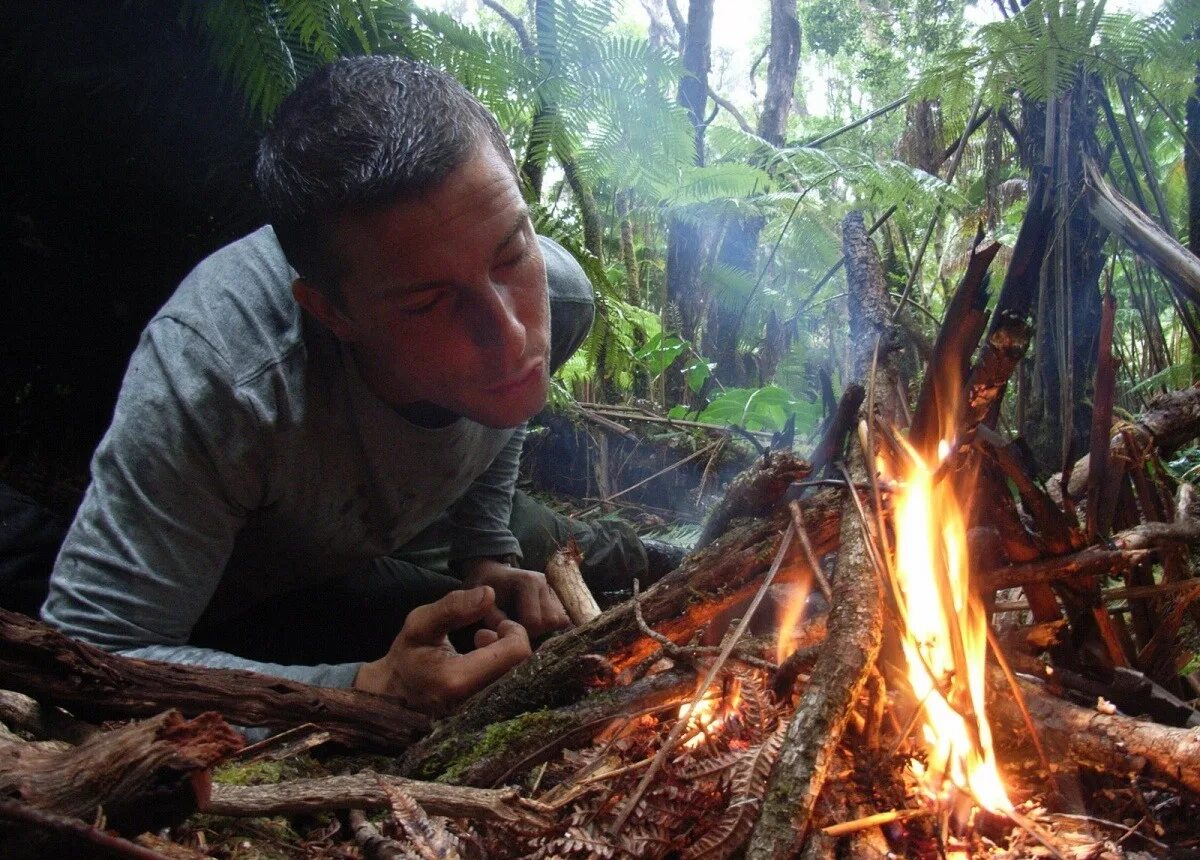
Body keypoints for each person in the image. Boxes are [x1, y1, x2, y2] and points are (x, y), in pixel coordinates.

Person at [40, 56, 679, 715]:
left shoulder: (562, 299)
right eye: (429, 303)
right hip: (239, 590)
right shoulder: (225, 385)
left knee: (562, 552)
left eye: (511, 253)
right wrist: (367, 690)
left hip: (387, 523)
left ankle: (688, 550)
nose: (513, 338)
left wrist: (484, 553)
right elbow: (93, 650)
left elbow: (506, 409)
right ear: (331, 312)